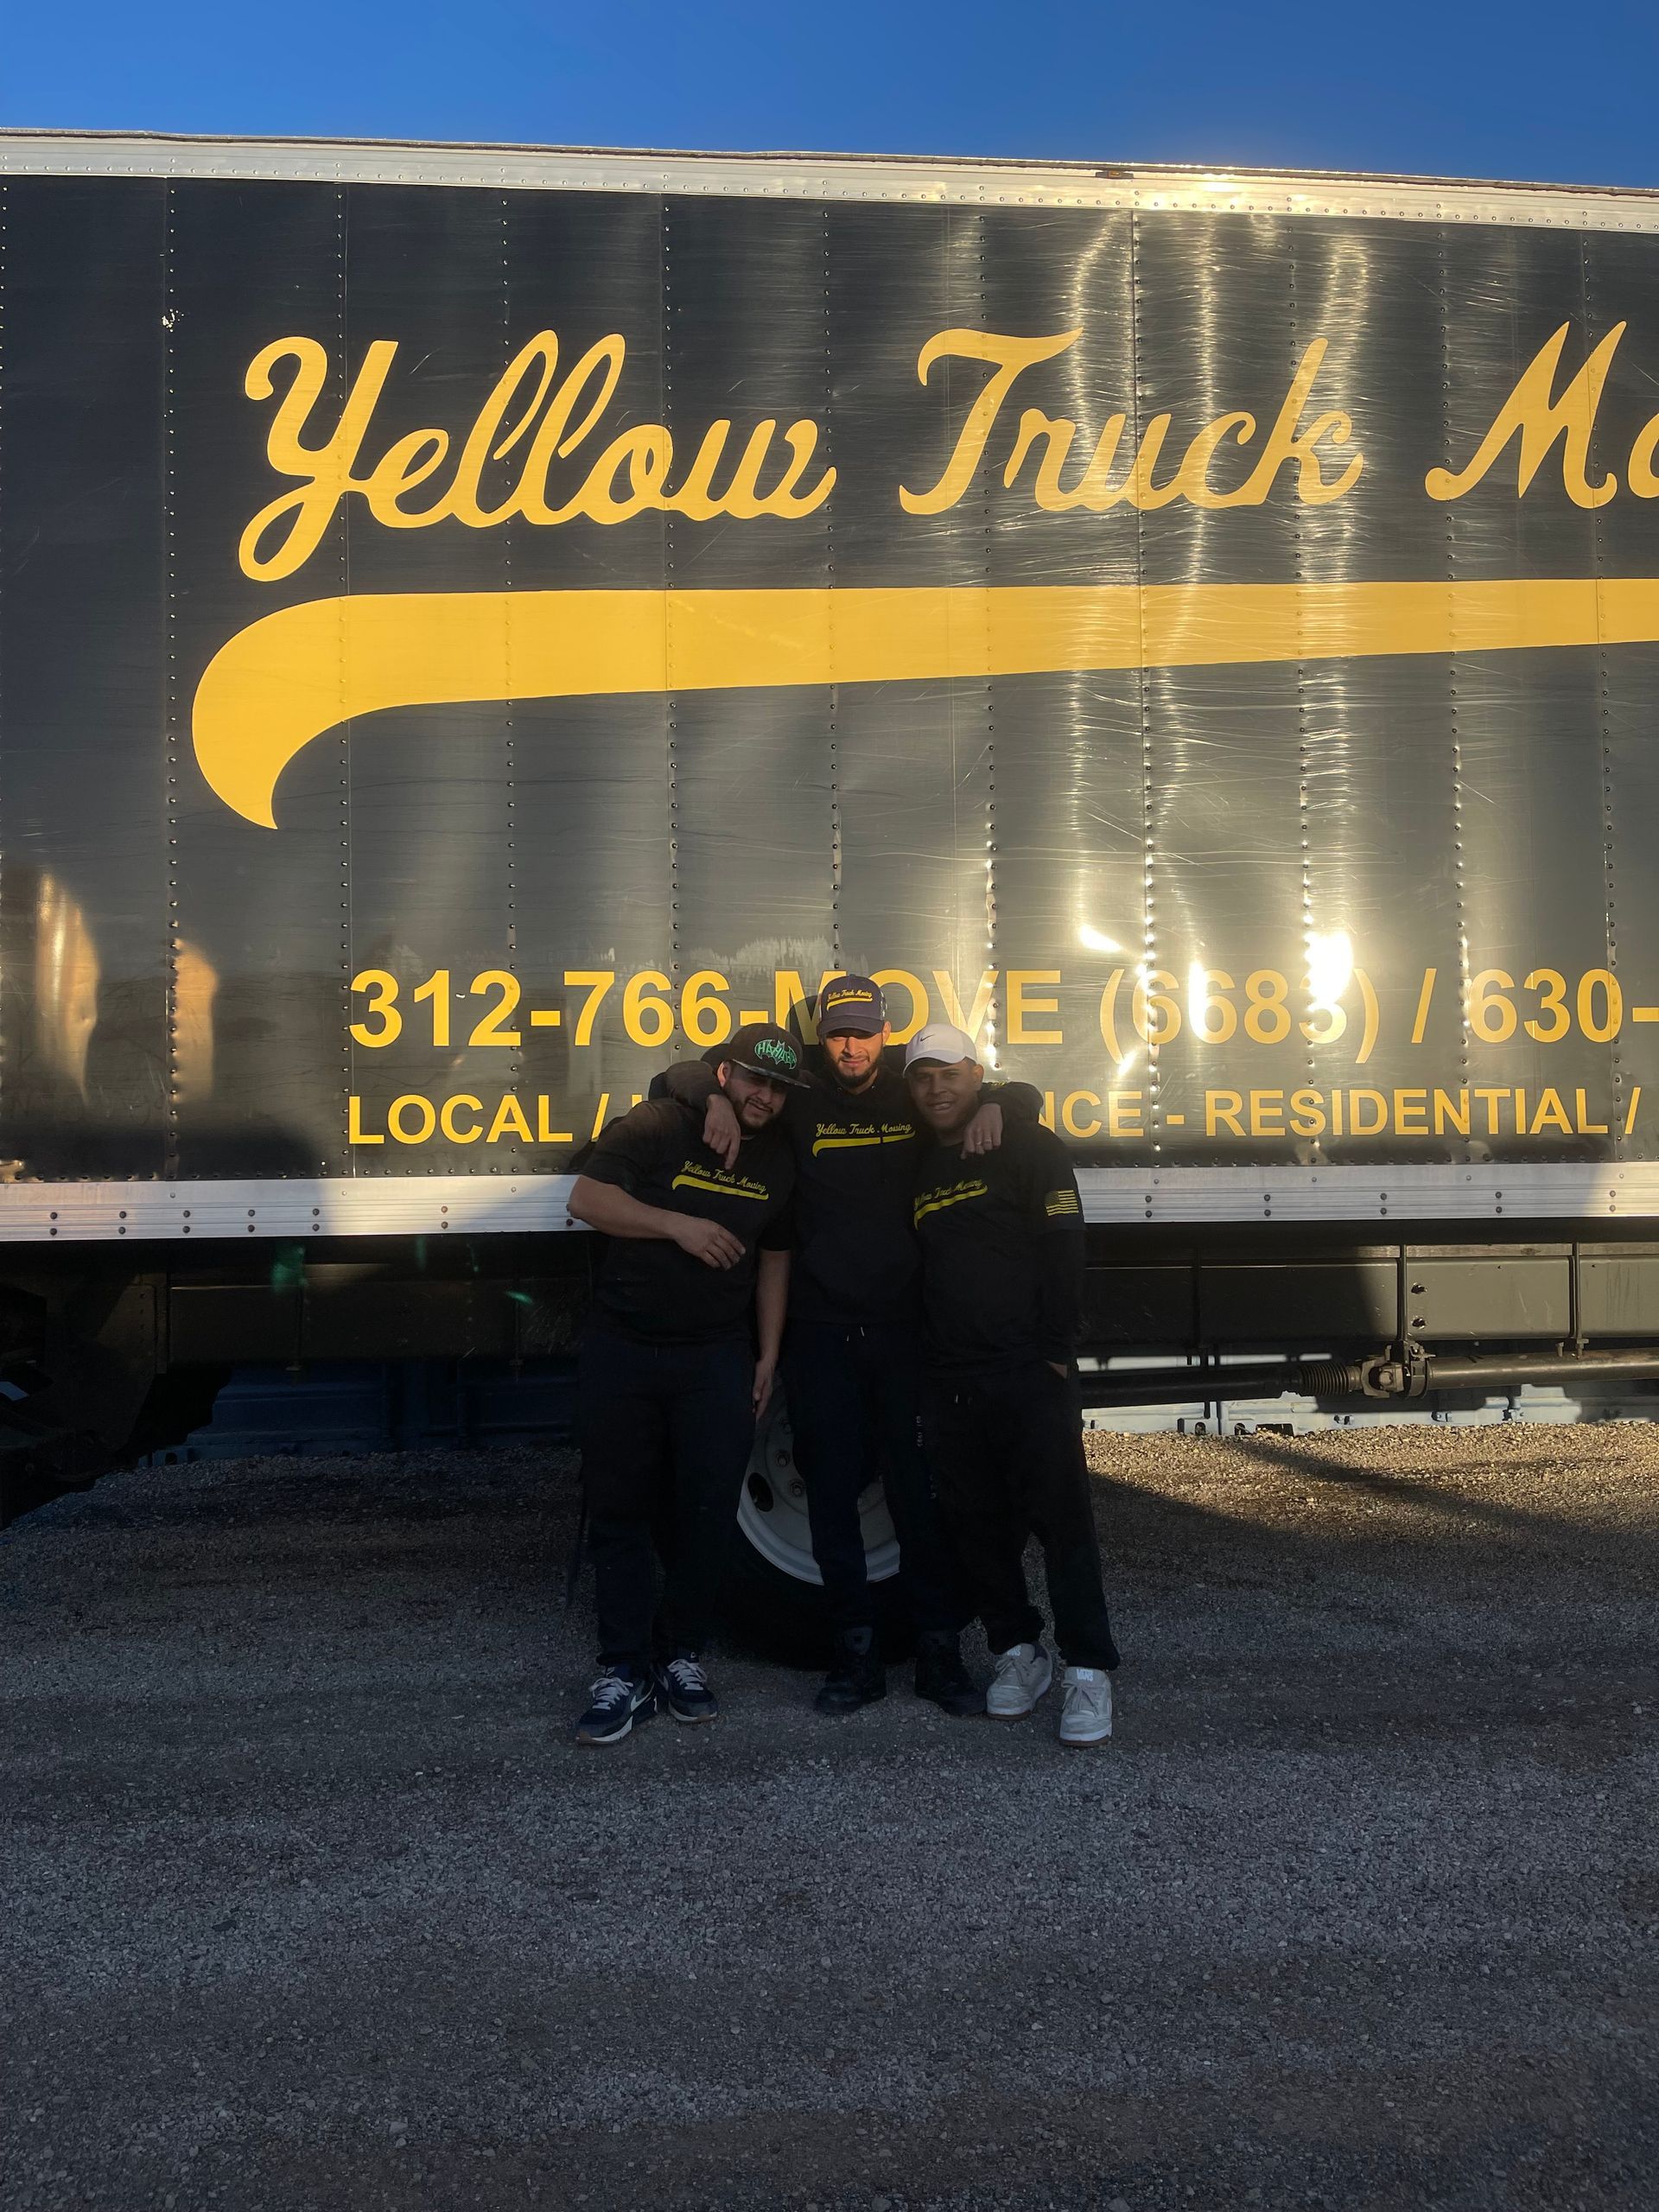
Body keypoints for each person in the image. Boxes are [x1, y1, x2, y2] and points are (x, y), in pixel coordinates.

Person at [662, 977, 1039, 1718]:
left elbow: (1017, 1092)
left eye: (864, 1032)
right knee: (831, 1496)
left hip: (906, 1333)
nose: (851, 1045)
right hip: (822, 1332)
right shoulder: (798, 1096)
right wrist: (708, 1097)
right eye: (838, 1032)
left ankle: (938, 1656)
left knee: (916, 1495)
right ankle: (855, 1658)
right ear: (822, 1035)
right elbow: (681, 1073)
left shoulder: (910, 1091)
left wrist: (1000, 1102)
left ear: (884, 1034)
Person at [565, 1021, 804, 1746]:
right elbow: (586, 1200)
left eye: (778, 1087)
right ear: (724, 1075)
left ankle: (684, 1658)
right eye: (754, 1080)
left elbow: (774, 1258)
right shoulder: (660, 1122)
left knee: (706, 1514)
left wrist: (766, 1355)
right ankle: (623, 1671)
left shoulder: (782, 1161)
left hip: (716, 1358)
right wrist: (679, 1226)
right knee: (621, 1512)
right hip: (625, 1350)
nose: (765, 1096)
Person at [905, 1022, 1120, 1747]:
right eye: (923, 1078)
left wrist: (1054, 1356)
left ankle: (1088, 1669)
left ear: (977, 1074)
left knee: (1063, 1524)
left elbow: (1065, 1247)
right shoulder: (920, 1165)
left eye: (951, 1074)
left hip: (1028, 1371)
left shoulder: (1028, 1144)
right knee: (979, 1530)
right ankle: (1016, 1651)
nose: (937, 1088)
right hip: (951, 1380)